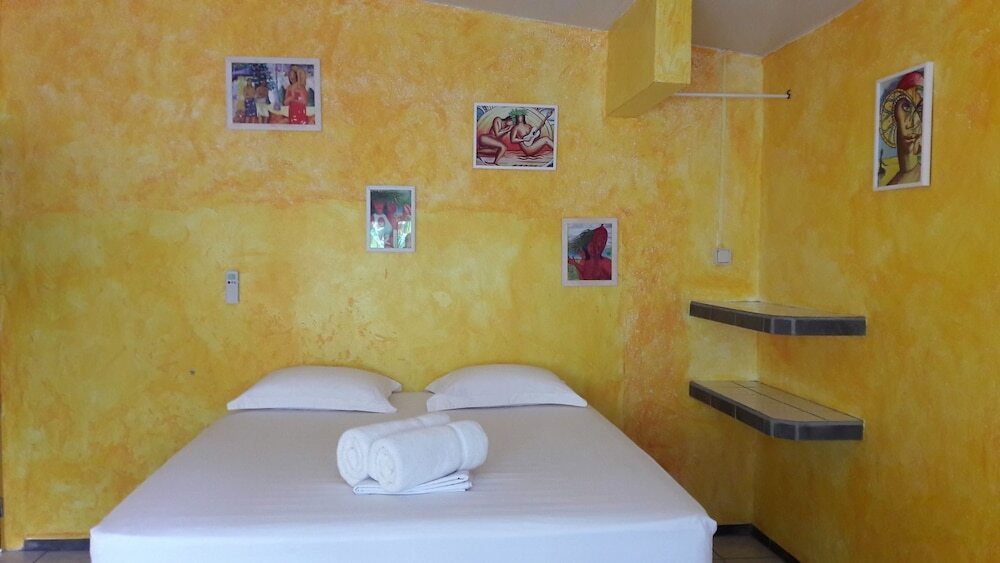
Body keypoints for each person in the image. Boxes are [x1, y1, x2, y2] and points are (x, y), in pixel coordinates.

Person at [879, 70, 924, 186]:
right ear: (894, 111)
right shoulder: (889, 182)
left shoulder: (922, 175)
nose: (912, 123)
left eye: (920, 109)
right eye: (906, 107)